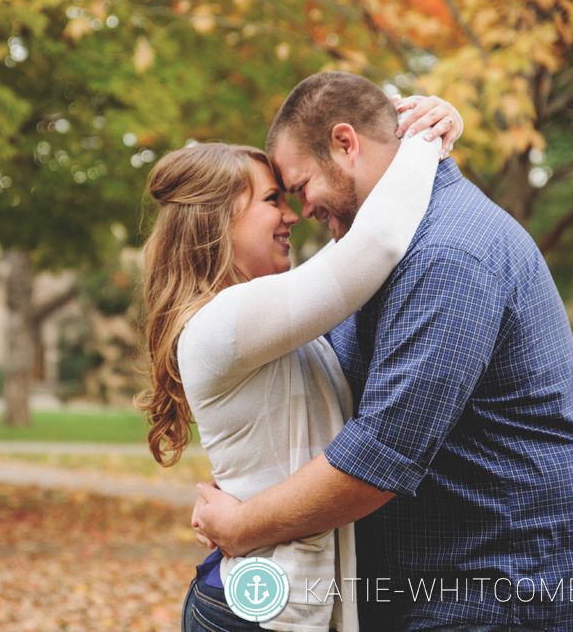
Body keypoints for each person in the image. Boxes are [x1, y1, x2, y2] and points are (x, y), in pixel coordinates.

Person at [192, 71, 573, 632]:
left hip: (510, 589)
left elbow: (377, 459)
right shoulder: (373, 258)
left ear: (346, 144)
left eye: (298, 188)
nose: (300, 212)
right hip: (449, 585)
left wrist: (243, 526)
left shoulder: (447, 254)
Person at [142, 88, 463, 632]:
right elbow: (376, 242)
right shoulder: (222, 323)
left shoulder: (262, 316)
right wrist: (425, 139)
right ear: (216, 219)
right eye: (273, 199)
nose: (293, 213)